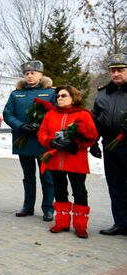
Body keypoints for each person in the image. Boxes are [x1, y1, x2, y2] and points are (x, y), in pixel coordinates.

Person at [37, 85, 98, 239]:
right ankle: (62, 222)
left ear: (73, 97)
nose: (60, 98)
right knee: (59, 191)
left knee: (79, 191)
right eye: (58, 96)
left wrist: (76, 145)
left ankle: (80, 225)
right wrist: (50, 142)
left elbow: (92, 137)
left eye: (63, 96)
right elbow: (42, 132)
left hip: (75, 160)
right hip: (56, 160)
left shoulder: (83, 114)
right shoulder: (51, 114)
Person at [3, 60, 55, 221]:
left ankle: (48, 208)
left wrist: (42, 127)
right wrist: (20, 126)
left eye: (33, 73)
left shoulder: (51, 92)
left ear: (41, 74)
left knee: (47, 176)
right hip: (23, 139)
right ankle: (28, 206)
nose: (30, 76)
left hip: (43, 141)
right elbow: (7, 113)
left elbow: (56, 113)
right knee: (28, 176)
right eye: (27, 74)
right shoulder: (16, 94)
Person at [92, 53, 127, 236]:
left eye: (120, 70)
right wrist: (93, 142)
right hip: (110, 146)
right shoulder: (103, 93)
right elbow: (96, 120)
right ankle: (121, 224)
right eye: (113, 70)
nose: (116, 74)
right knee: (116, 186)